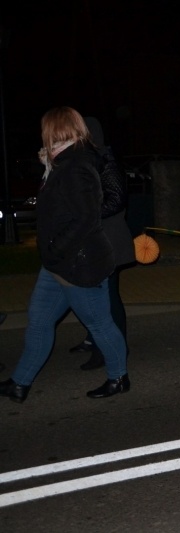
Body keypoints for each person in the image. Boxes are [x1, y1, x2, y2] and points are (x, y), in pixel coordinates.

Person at [0, 106, 129, 402]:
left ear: (55, 130)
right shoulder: (62, 162)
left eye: (46, 130)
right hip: (58, 264)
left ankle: (118, 377)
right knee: (39, 320)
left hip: (79, 263)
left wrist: (57, 248)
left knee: (99, 323)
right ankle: (20, 383)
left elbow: (86, 218)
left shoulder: (78, 165)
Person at [67, 116, 136, 371]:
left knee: (107, 299)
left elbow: (116, 199)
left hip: (109, 240)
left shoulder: (105, 159)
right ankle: (99, 343)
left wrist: (83, 215)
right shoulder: (86, 160)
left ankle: (110, 349)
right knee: (95, 298)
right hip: (95, 239)